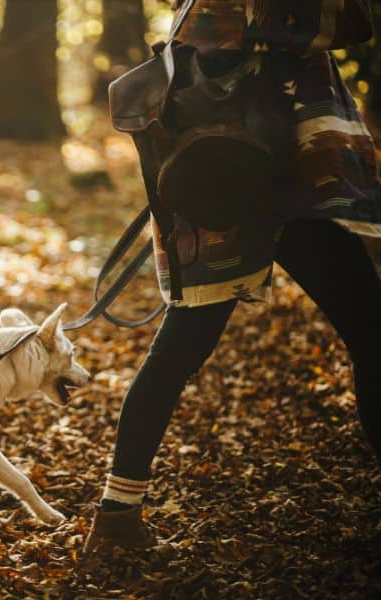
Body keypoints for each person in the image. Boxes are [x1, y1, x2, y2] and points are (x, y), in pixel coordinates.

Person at [84, 0, 381, 552]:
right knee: (184, 349)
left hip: (261, 172)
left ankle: (117, 516)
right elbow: (347, 26)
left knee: (369, 331)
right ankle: (116, 517)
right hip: (242, 174)